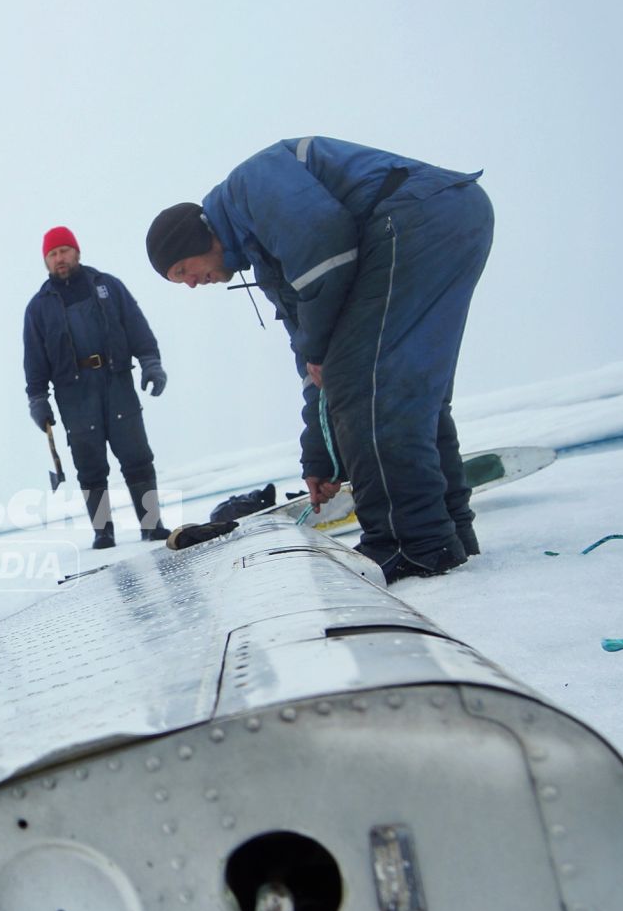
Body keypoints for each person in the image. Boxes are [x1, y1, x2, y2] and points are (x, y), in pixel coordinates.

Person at [147, 137, 494, 582]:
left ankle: (411, 544)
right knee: (410, 388)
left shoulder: (249, 187)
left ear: (196, 239)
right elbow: (313, 368)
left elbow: (327, 250)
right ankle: (449, 534)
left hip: (416, 217)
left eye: (182, 272)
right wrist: (320, 461)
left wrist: (322, 353)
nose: (192, 284)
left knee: (364, 384)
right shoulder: (267, 254)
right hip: (450, 217)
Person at [22, 226, 171, 547]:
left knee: (137, 456)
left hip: (116, 381)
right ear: (45, 262)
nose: (59, 258)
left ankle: (152, 524)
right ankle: (103, 533)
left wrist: (151, 363)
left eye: (64, 250)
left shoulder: (108, 287)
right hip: (73, 393)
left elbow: (136, 327)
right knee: (89, 466)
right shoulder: (38, 307)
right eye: (52, 254)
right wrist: (37, 400)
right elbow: (34, 360)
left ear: (77, 251)